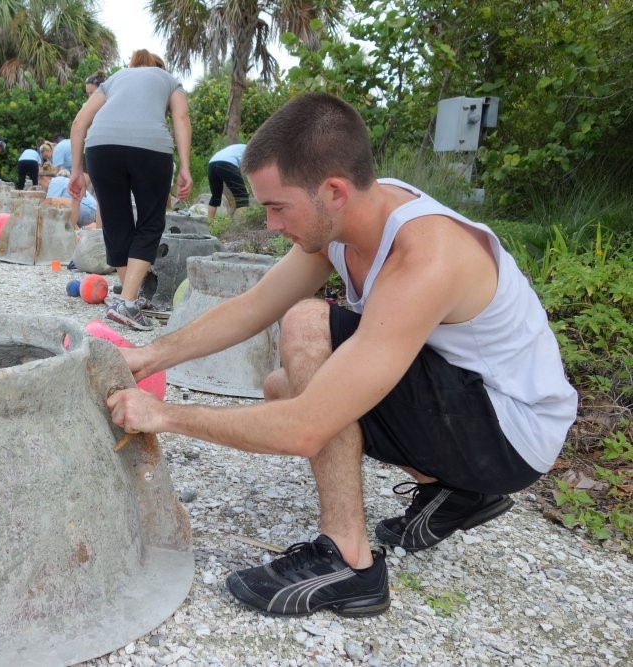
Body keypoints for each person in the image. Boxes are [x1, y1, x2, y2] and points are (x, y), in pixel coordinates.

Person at [106, 92, 577, 618]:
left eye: (277, 208)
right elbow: (254, 305)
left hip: (512, 430)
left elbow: (305, 429)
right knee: (281, 388)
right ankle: (459, 491)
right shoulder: (347, 220)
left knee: (308, 326)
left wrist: (162, 415)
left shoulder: (426, 255)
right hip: (467, 404)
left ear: (332, 191)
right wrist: (148, 357)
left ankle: (350, 562)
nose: (271, 226)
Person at [68, 49, 192, 331]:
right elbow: (181, 118)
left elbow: (79, 123)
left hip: (100, 147)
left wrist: (76, 171)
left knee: (116, 222)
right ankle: (128, 303)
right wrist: (185, 166)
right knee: (150, 222)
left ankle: (128, 297)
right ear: (159, 67)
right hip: (150, 148)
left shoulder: (114, 79)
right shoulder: (170, 80)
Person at [206, 143, 250, 220]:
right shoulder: (253, 151)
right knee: (242, 197)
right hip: (227, 162)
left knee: (215, 197)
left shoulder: (241, 148)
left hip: (212, 163)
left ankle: (208, 226)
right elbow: (251, 173)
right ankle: (242, 227)